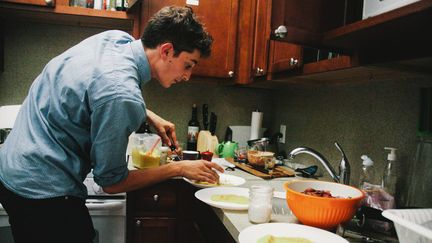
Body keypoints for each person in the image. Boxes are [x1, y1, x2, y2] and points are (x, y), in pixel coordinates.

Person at [0, 6, 223, 243]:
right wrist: (178, 168)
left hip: (12, 171)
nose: (187, 76)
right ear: (167, 50)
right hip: (42, 192)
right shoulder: (122, 95)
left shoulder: (117, 40)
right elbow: (111, 183)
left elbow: (98, 88)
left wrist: (146, 113)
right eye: (188, 64)